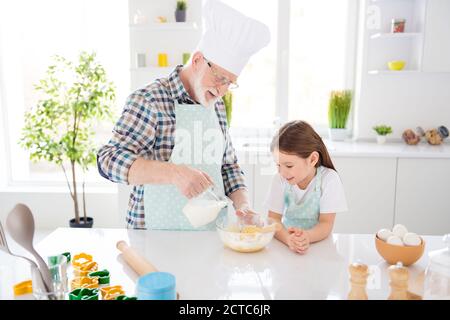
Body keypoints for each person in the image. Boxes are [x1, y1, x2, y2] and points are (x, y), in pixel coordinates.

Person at [97, 0, 270, 230]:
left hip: (210, 236)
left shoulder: (215, 104)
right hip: (155, 237)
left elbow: (228, 166)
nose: (222, 90)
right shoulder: (150, 100)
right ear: (198, 61)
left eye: (230, 83)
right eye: (220, 78)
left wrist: (244, 205)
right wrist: (175, 174)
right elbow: (108, 160)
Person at [265, 120, 348, 254]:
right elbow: (272, 219)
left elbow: (326, 223)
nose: (282, 172)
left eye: (289, 166)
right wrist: (288, 239)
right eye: (278, 165)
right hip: (286, 246)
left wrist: (306, 237)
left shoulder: (329, 179)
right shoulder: (279, 179)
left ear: (312, 160)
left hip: (318, 247)